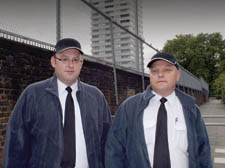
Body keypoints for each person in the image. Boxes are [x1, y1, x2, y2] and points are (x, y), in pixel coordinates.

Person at [3, 38, 112, 168]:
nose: (70, 65)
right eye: (64, 59)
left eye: (75, 60)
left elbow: (108, 143)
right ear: (53, 62)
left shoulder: (96, 97)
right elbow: (15, 147)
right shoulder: (33, 95)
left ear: (81, 63)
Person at [105, 52, 212, 168]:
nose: (160, 74)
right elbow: (114, 151)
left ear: (178, 75)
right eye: (154, 71)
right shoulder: (129, 108)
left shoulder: (191, 109)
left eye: (167, 70)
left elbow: (203, 151)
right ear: (150, 75)